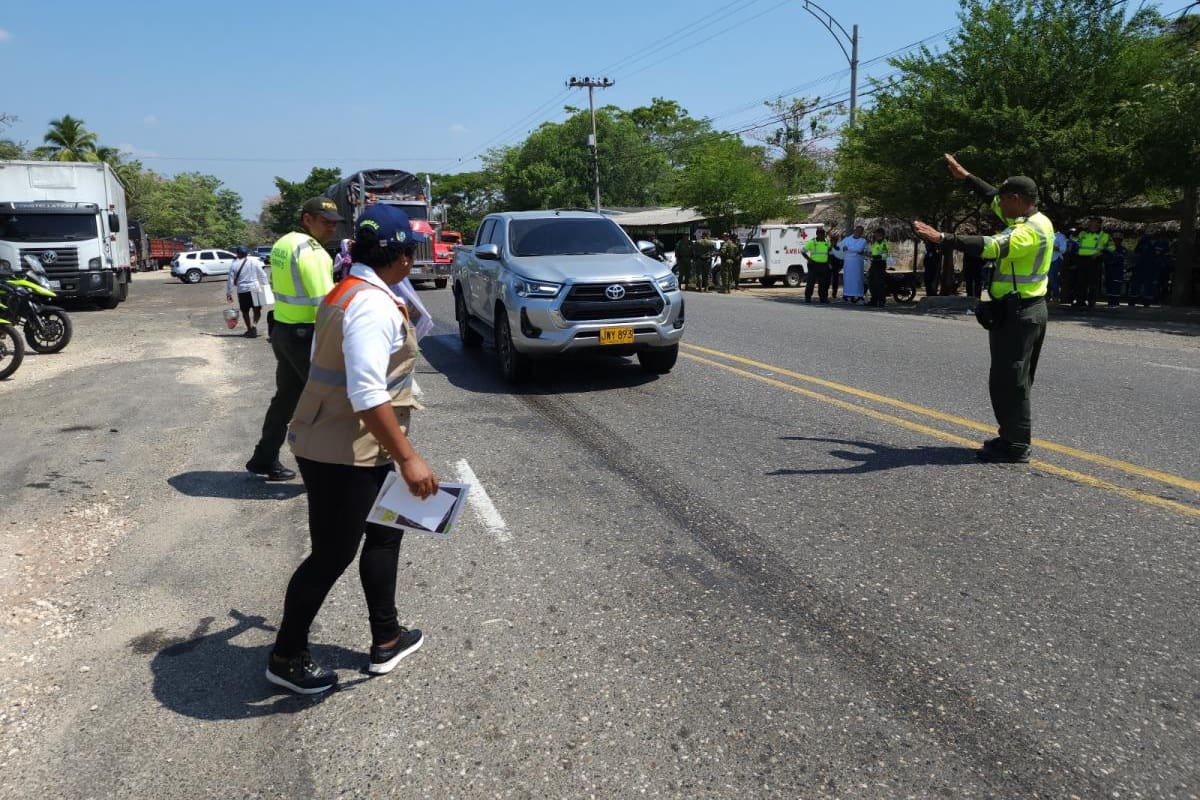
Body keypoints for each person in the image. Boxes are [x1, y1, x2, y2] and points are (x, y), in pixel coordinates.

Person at [266, 205, 438, 695]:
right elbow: (367, 393)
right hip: (342, 450)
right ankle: (286, 655)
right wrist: (409, 458)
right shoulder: (371, 305)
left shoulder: (349, 288)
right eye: (411, 253)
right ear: (402, 258)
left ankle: (386, 637)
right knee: (330, 555)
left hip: (353, 442)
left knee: (385, 532)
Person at [913, 153, 1052, 464]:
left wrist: (942, 238)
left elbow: (991, 246)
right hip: (1019, 310)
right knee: (1010, 379)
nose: (998, 206)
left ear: (1017, 199)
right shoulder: (1026, 217)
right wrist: (966, 176)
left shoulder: (1028, 231)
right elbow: (991, 195)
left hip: (1020, 313)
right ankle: (1011, 436)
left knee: (1011, 380)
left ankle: (1016, 445)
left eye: (1004, 201)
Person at [245, 197, 343, 482]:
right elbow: (326, 304)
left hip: (284, 333)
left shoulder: (283, 243)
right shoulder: (312, 252)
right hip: (306, 336)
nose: (331, 229)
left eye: (335, 223)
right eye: (326, 222)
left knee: (286, 399)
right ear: (307, 219)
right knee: (329, 403)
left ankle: (264, 457)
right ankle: (329, 472)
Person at [225, 246, 269, 338]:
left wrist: (229, 293)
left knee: (245, 311)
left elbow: (230, 281)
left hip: (242, 290)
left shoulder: (234, 265)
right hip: (256, 288)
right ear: (247, 253)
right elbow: (263, 275)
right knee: (257, 310)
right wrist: (266, 287)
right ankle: (254, 326)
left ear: (238, 254)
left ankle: (249, 329)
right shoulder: (254, 262)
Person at [1071, 218, 1113, 311]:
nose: (1092, 225)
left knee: (1093, 283)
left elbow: (1112, 248)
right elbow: (1073, 239)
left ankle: (1091, 302)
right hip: (1081, 260)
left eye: (1095, 223)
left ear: (1099, 225)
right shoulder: (1083, 233)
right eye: (1091, 223)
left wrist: (1102, 252)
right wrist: (1077, 230)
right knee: (1080, 281)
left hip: (1095, 260)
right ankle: (1080, 301)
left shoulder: (1105, 235)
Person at [840, 224, 868, 303]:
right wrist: (855, 251)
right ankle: (847, 295)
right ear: (854, 231)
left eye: (861, 231)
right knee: (848, 279)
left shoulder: (863, 241)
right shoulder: (847, 239)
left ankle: (859, 296)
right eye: (857, 231)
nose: (859, 232)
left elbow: (859, 249)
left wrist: (849, 248)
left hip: (858, 263)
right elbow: (842, 248)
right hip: (848, 263)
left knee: (858, 279)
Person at [803, 227, 832, 303]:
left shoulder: (827, 242)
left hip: (824, 265)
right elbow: (803, 251)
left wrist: (829, 262)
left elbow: (829, 252)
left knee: (823, 283)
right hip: (814, 265)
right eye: (820, 233)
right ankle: (808, 297)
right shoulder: (812, 242)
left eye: (823, 233)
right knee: (811, 282)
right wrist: (809, 259)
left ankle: (823, 298)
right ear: (817, 234)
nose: (822, 235)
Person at [1130, 232, 1157, 306]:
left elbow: (1136, 256)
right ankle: (1145, 301)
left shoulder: (1142, 245)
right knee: (1144, 285)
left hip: (1142, 268)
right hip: (1146, 268)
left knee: (1138, 285)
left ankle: (1135, 300)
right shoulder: (1150, 246)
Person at [1103, 232, 1128, 307]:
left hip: (1117, 272)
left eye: (1118, 239)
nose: (1116, 241)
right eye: (1115, 239)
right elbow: (1105, 258)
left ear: (1121, 240)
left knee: (1116, 288)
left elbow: (1119, 259)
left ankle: (1115, 303)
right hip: (1109, 271)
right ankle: (1110, 303)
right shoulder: (1108, 249)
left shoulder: (1123, 249)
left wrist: (1111, 260)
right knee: (1109, 287)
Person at [867, 229, 890, 307]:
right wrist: (868, 254)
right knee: (872, 282)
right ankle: (874, 300)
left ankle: (881, 301)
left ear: (882, 235)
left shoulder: (884, 243)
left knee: (879, 283)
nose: (876, 236)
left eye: (877, 235)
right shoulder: (876, 243)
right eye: (875, 235)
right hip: (874, 263)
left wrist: (873, 256)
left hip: (880, 264)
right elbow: (874, 252)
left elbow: (885, 255)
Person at [1049, 227, 1068, 301]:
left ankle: (1056, 296)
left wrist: (1054, 248)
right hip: (1046, 260)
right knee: (1047, 279)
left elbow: (1063, 249)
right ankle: (1048, 297)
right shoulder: (1044, 234)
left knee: (1052, 277)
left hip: (1056, 259)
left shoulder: (1060, 236)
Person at [828, 233, 843, 299]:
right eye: (832, 241)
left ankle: (834, 294)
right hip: (828, 265)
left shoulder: (838, 248)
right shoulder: (828, 248)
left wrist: (841, 266)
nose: (833, 242)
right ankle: (825, 293)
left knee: (835, 281)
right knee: (827, 280)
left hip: (836, 266)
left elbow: (841, 258)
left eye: (835, 241)